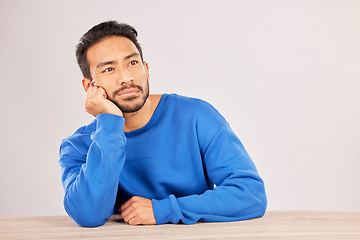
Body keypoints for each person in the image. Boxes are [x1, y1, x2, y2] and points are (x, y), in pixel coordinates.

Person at [59, 20, 267, 227]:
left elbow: (250, 194)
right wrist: (109, 124)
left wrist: (164, 209)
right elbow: (88, 214)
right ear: (89, 86)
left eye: (132, 63)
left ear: (146, 69)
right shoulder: (79, 146)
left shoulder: (196, 116)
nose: (126, 77)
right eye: (109, 69)